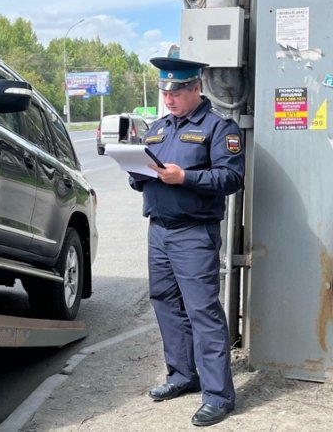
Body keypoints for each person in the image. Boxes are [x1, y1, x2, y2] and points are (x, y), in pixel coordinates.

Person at [128, 57, 244, 427]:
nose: (169, 98)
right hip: (158, 229)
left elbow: (230, 178)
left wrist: (187, 178)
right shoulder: (158, 128)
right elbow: (144, 173)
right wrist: (136, 172)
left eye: (176, 92)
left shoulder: (219, 128)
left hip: (194, 232)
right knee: (165, 302)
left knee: (202, 311)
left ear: (196, 88)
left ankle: (219, 395)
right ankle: (182, 375)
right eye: (164, 91)